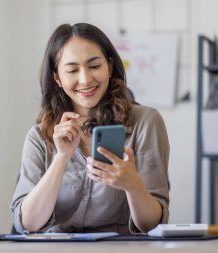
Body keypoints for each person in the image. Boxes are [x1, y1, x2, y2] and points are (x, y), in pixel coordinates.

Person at [10, 23, 170, 235]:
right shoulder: (39, 136)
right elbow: (28, 224)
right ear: (57, 77)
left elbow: (152, 226)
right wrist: (61, 158)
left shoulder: (146, 123)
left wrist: (133, 186)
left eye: (94, 66)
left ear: (110, 66)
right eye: (72, 70)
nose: (85, 79)